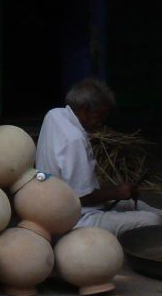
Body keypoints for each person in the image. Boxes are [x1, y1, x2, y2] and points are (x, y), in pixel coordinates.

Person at [35, 78, 162, 236]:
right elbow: (82, 197)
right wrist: (117, 192)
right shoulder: (74, 139)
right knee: (152, 220)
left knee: (138, 205)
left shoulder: (54, 114)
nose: (101, 123)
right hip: (75, 218)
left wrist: (118, 192)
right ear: (85, 109)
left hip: (54, 204)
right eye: (99, 116)